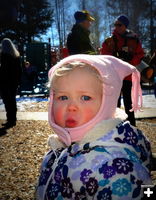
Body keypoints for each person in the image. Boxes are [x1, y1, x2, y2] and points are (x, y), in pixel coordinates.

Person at [36, 55, 152, 199]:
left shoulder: (117, 168)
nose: (71, 107)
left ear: (107, 103)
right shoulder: (56, 150)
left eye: (85, 97)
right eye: (63, 97)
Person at [101, 15, 144, 126]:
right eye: (115, 25)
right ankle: (115, 126)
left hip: (127, 75)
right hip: (114, 75)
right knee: (114, 102)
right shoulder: (109, 40)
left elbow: (140, 54)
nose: (116, 27)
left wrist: (129, 62)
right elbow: (104, 54)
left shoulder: (134, 39)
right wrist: (115, 60)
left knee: (128, 102)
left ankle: (131, 126)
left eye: (119, 25)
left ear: (125, 26)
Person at [0, 38, 21, 128]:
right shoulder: (16, 56)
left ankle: (10, 120)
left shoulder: (3, 56)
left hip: (5, 82)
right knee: (12, 100)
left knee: (7, 101)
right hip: (14, 82)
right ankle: (13, 119)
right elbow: (20, 70)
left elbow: (3, 70)